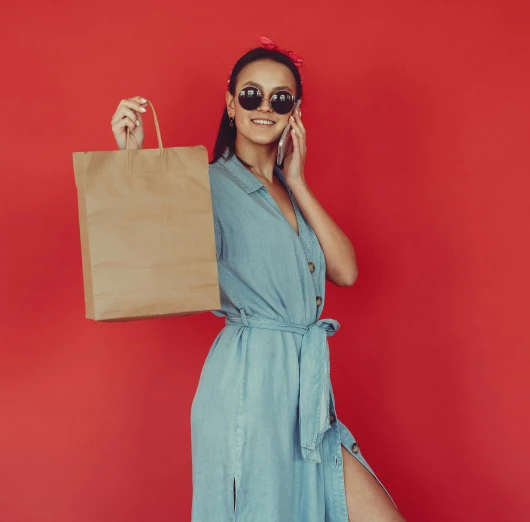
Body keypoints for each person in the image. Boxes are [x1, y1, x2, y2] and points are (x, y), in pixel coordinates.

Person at [109, 35, 406, 522]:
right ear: (230, 103)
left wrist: (299, 181)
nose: (264, 107)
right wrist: (137, 166)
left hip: (307, 394)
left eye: (279, 98)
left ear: (295, 111)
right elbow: (151, 255)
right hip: (250, 386)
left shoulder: (290, 190)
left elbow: (346, 271)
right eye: (251, 94)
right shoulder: (205, 184)